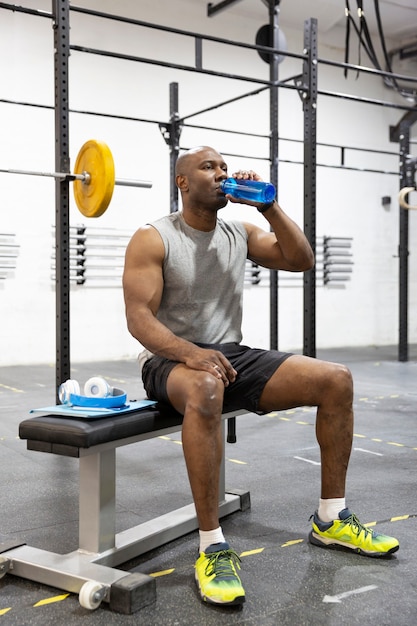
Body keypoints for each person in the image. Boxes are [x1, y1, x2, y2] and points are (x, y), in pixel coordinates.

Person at [122, 145, 399, 607]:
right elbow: (139, 319)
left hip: (230, 354)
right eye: (208, 168)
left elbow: (300, 259)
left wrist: (269, 206)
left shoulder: (241, 231)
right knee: (208, 386)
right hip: (168, 360)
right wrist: (192, 354)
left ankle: (331, 519)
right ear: (183, 182)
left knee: (336, 379)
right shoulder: (153, 238)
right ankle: (212, 546)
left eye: (225, 167)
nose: (221, 174)